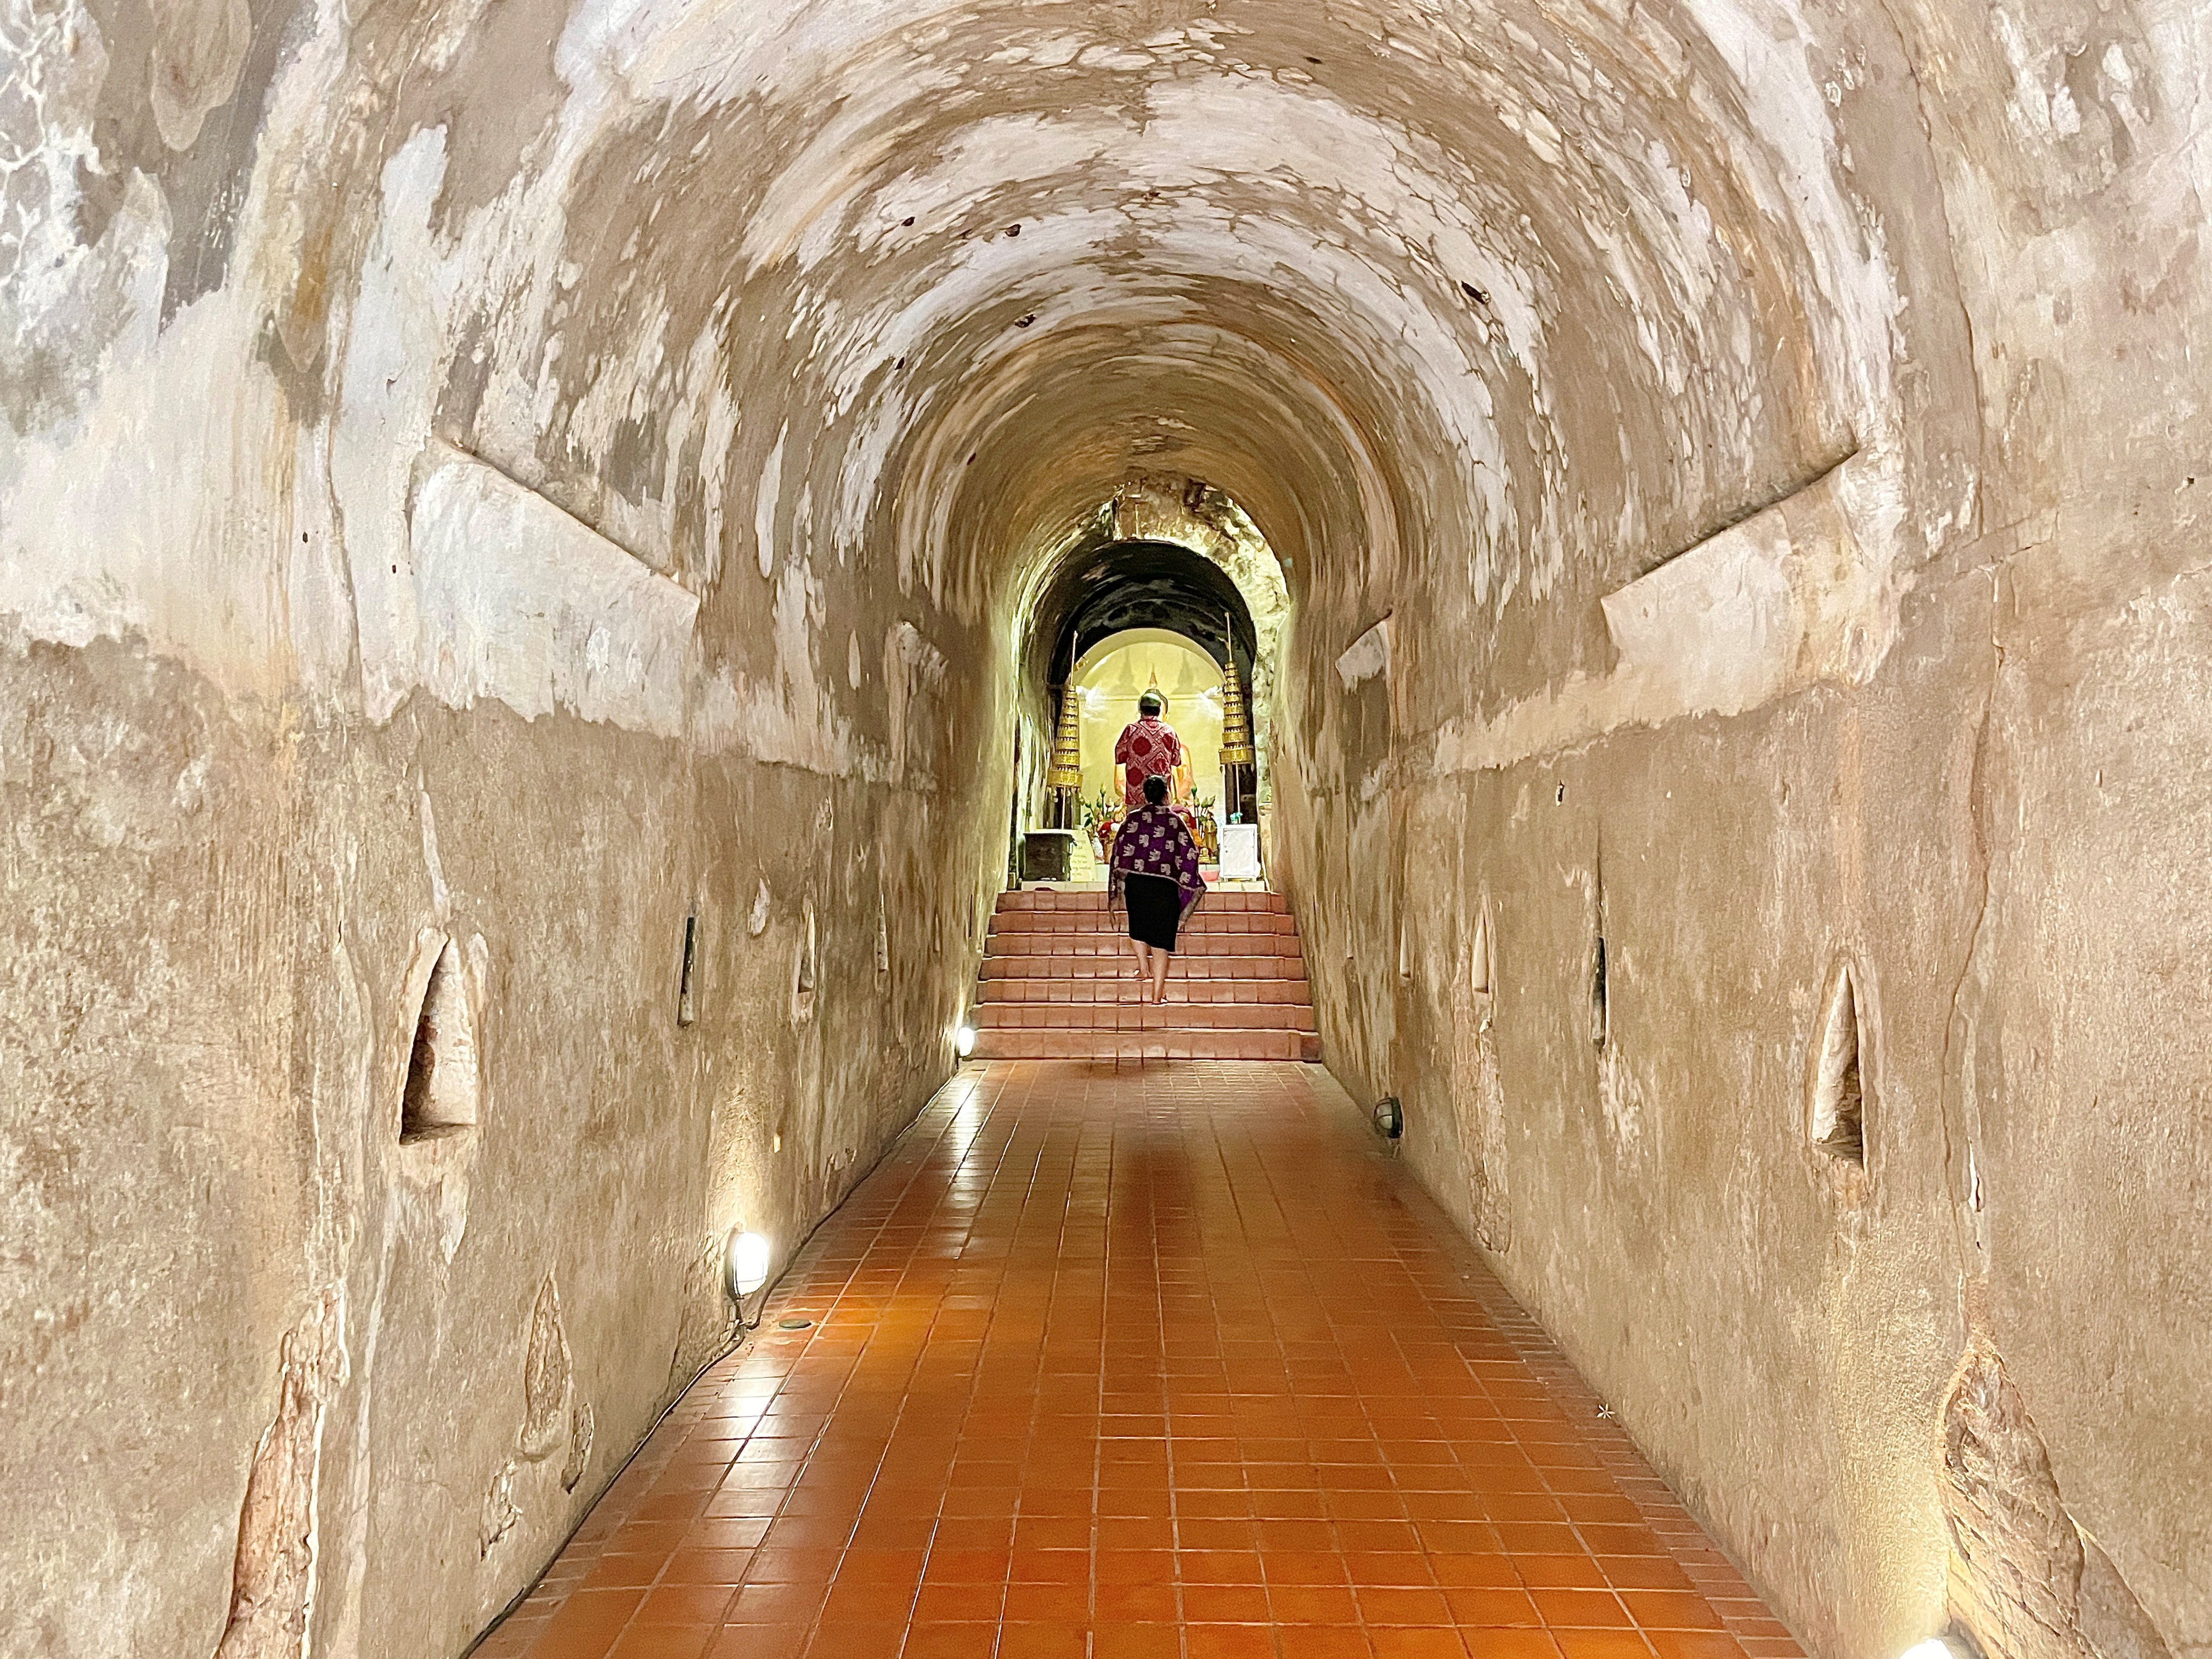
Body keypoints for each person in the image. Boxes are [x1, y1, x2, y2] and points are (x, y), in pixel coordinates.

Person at [1108, 774, 1207, 1004]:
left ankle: (1144, 968)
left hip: (1137, 884)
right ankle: (1156, 997)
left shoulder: (1133, 819)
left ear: (1144, 795)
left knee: (1137, 928)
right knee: (1161, 942)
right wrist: (1185, 877)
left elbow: (1118, 851)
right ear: (1166, 794)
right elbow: (1190, 853)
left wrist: (1118, 886)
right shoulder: (1174, 822)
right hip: (1165, 886)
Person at [1114, 691, 1183, 809]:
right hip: (1161, 796)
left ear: (1140, 710)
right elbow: (1176, 761)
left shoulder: (1131, 730)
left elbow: (1119, 756)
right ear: (1159, 710)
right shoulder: (1169, 732)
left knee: (1136, 821)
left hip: (1136, 797)